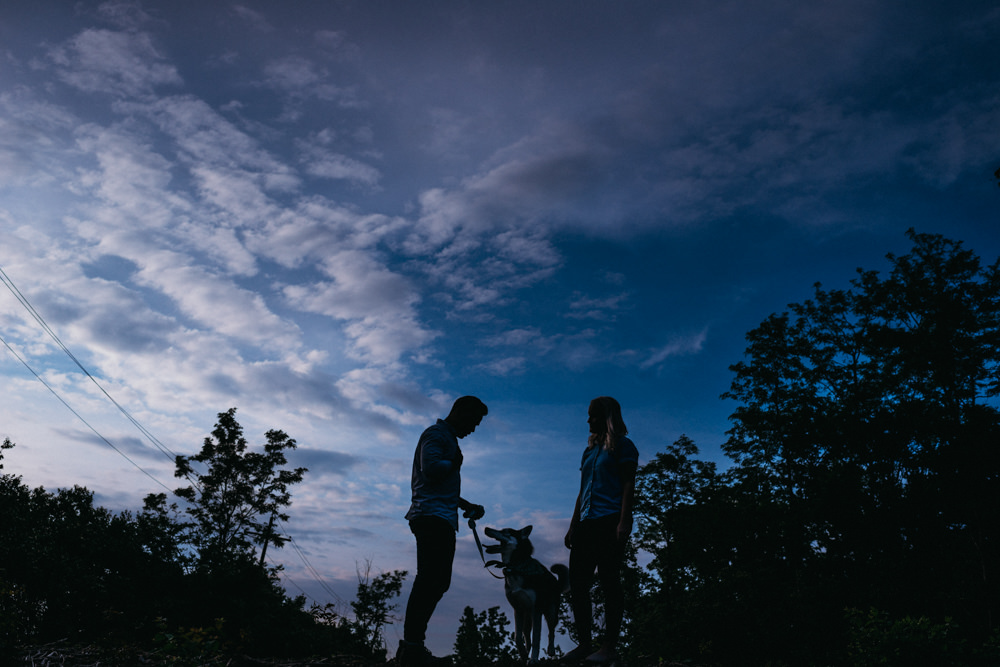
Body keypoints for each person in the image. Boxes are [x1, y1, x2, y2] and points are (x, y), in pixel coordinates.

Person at [397, 396, 488, 667]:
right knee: (430, 580)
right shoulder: (437, 434)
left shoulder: (447, 439)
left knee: (437, 581)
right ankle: (412, 648)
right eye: (473, 421)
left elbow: (438, 483)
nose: (473, 428)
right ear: (459, 412)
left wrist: (464, 504)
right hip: (431, 517)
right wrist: (455, 463)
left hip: (439, 515)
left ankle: (414, 647)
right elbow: (432, 469)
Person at [562, 396, 639, 664]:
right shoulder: (588, 452)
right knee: (579, 584)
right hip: (586, 524)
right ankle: (585, 644)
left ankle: (609, 647)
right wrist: (573, 526)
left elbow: (629, 484)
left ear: (606, 417)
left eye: (593, 415)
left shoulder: (623, 446)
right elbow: (582, 491)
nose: (588, 420)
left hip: (609, 522)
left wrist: (624, 520)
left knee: (609, 583)